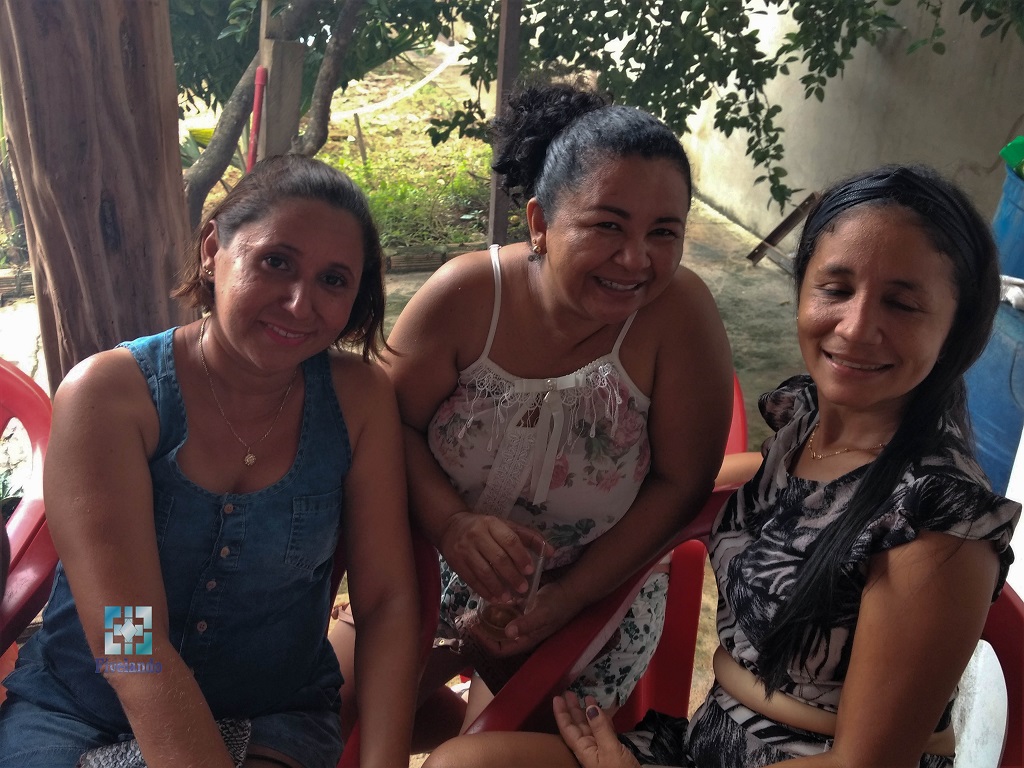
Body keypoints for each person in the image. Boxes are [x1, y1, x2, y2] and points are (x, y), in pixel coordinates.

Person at [423, 164, 1022, 767]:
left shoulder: (938, 519)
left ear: (957, 327)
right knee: (465, 763)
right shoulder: (808, 431)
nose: (858, 327)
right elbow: (723, 491)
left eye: (902, 304)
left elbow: (864, 765)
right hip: (704, 747)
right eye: (836, 289)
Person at [329, 81, 735, 748]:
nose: (636, 259)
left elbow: (683, 483)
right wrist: (452, 524)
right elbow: (389, 425)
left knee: (482, 755)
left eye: (664, 232)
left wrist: (567, 599)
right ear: (540, 222)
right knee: (323, 711)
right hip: (442, 566)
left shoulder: (679, 316)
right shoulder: (465, 297)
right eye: (607, 226)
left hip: (596, 586)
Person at [0, 155, 420, 768]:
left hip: (275, 715)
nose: (299, 304)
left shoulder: (358, 401)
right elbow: (126, 634)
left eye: (333, 280)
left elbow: (385, 602)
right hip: (79, 714)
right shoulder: (111, 396)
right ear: (212, 249)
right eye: (276, 262)